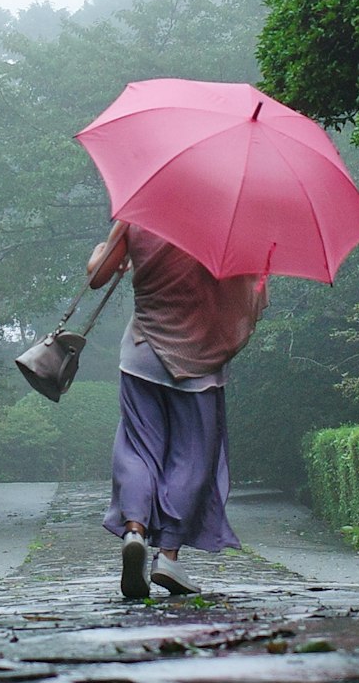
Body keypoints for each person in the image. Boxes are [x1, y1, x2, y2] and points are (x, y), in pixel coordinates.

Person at [81, 217, 267, 601]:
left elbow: (98, 275)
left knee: (137, 449)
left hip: (142, 354)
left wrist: (102, 250)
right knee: (192, 459)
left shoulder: (142, 211)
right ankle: (168, 556)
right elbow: (251, 290)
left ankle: (134, 531)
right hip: (199, 361)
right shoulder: (229, 222)